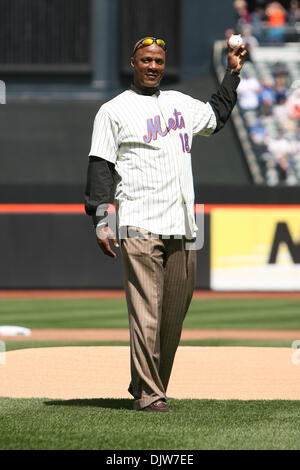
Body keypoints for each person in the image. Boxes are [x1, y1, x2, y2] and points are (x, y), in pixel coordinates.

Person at [85, 36, 246, 412]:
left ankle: (145, 381)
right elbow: (100, 168)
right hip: (139, 222)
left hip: (184, 223)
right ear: (133, 62)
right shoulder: (113, 110)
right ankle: (151, 395)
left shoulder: (180, 104)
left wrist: (232, 72)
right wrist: (101, 219)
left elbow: (216, 117)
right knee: (146, 309)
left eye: (158, 60)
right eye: (146, 60)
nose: (153, 66)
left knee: (174, 310)